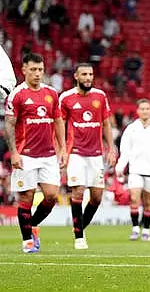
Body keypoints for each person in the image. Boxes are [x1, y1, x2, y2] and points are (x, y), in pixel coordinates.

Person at [5, 53, 67, 253]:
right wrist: (13, 152)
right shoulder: (17, 94)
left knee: (51, 195)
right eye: (33, 69)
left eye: (40, 69)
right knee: (27, 197)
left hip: (48, 154)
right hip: (26, 155)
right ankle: (27, 242)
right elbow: (9, 124)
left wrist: (63, 148)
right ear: (23, 70)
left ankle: (31, 226)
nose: (38, 73)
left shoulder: (51, 93)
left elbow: (58, 121)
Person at [59, 63, 117, 249]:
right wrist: (61, 149)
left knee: (97, 197)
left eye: (90, 74)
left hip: (96, 154)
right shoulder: (66, 98)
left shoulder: (100, 96)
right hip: (75, 152)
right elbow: (59, 125)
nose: (88, 77)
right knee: (77, 192)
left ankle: (80, 227)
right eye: (84, 74)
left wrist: (112, 148)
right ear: (76, 76)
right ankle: (79, 237)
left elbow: (106, 123)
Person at [115, 99, 150, 242]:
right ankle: (135, 228)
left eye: (147, 108)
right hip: (135, 170)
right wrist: (120, 166)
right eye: (142, 109)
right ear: (137, 111)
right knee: (134, 198)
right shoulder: (131, 129)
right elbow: (125, 150)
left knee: (148, 202)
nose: (144, 111)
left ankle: (146, 229)